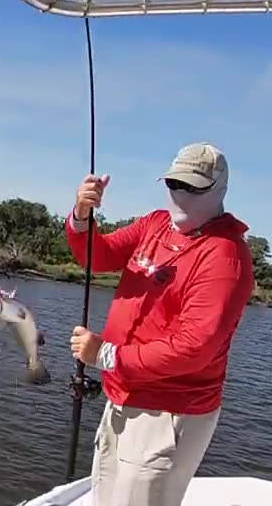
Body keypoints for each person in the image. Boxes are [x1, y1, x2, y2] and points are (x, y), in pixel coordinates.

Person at [64, 142, 255, 506]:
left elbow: (194, 349)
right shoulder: (154, 224)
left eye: (194, 187)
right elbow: (98, 256)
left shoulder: (225, 255)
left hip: (169, 412)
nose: (181, 195)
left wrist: (105, 355)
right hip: (121, 396)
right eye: (174, 184)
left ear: (220, 191)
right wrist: (82, 215)